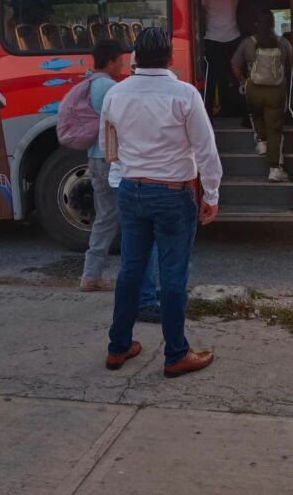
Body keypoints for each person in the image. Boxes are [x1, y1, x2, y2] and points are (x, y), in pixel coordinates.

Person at [101, 27, 223, 378]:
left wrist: (121, 184)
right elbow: (206, 150)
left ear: (135, 57)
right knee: (172, 275)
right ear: (170, 57)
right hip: (173, 193)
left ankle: (118, 346)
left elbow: (110, 148)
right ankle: (176, 353)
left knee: (130, 271)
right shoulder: (184, 95)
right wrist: (211, 195)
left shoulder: (115, 94)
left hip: (130, 190)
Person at [76, 40, 129, 292]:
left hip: (95, 158)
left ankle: (90, 275)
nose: (122, 64)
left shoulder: (90, 83)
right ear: (110, 62)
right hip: (112, 159)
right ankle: (133, 276)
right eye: (120, 60)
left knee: (105, 218)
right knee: (130, 217)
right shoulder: (110, 86)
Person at [231, 11, 292, 182]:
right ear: (273, 24)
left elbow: (235, 65)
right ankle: (275, 169)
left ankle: (261, 142)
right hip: (276, 91)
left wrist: (243, 80)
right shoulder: (283, 43)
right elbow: (290, 68)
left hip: (254, 89)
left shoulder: (247, 43)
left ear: (256, 24)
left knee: (255, 114)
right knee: (275, 129)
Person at [198, 0, 243, 117]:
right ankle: (241, 112)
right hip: (234, 36)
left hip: (213, 38)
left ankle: (207, 114)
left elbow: (202, 12)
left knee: (212, 79)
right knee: (236, 75)